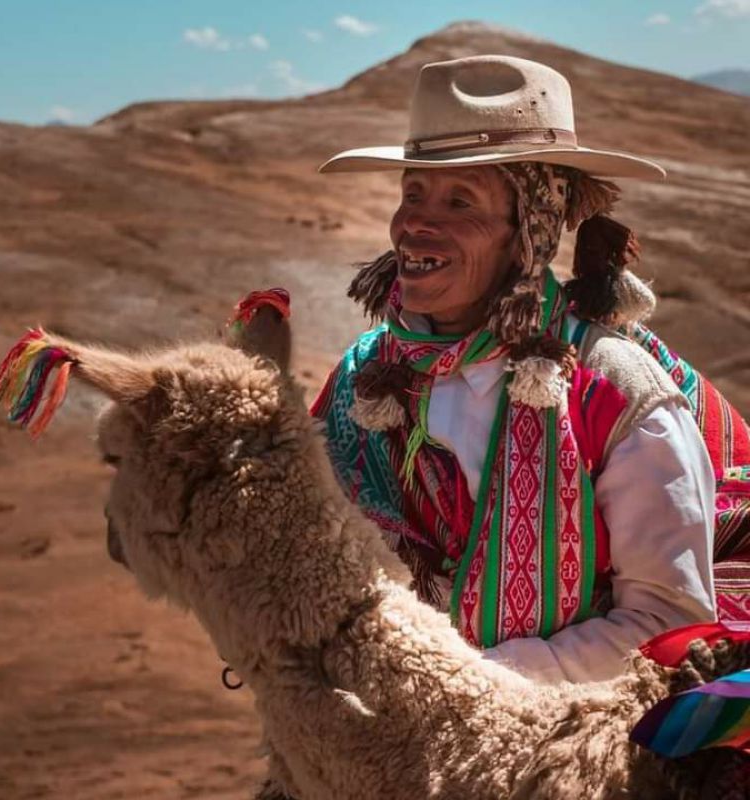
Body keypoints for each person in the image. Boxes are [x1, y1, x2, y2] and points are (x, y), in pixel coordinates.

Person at [308, 55, 750, 684]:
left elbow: (668, 622)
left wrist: (476, 684)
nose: (414, 224)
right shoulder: (364, 376)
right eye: (412, 194)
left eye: (460, 201)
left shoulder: (613, 391)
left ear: (529, 233)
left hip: (560, 744)